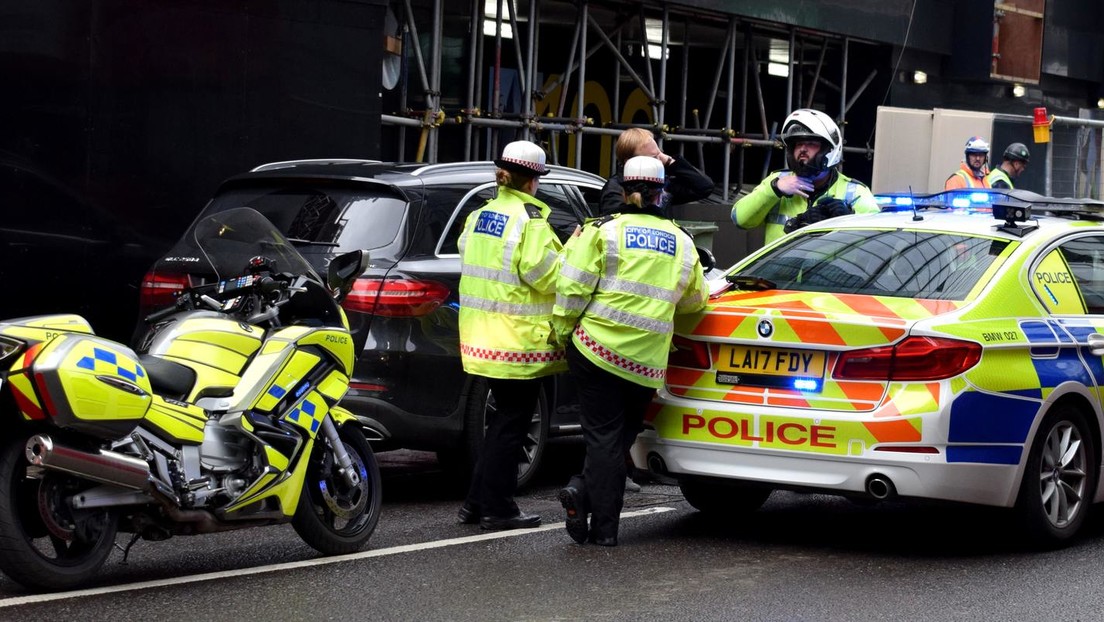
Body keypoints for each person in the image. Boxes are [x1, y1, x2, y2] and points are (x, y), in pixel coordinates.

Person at [553, 155, 709, 546]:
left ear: (623, 191)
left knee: (603, 439)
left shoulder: (601, 232)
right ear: (662, 195)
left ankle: (599, 521)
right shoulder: (682, 242)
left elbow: (571, 287)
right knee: (618, 439)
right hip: (645, 363)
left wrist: (561, 333)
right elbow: (695, 302)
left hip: (595, 350)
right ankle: (589, 504)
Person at [456, 140, 567, 531]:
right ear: (532, 180)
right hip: (517, 341)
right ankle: (498, 508)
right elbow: (547, 275)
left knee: (504, 421)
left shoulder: (480, 216)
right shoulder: (530, 221)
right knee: (511, 425)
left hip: (482, 338)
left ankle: (476, 503)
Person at [731, 108, 878, 245]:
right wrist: (774, 189)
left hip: (831, 273)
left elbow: (878, 243)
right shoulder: (777, 181)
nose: (802, 149)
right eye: (798, 144)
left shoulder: (855, 192)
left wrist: (849, 220)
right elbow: (740, 219)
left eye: (811, 143)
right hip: (778, 273)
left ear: (829, 150)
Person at [599, 127, 713, 216]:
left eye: (660, 154)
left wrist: (669, 161)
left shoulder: (659, 183)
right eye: (653, 158)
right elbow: (612, 229)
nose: (659, 162)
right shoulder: (615, 189)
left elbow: (704, 187)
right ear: (630, 162)